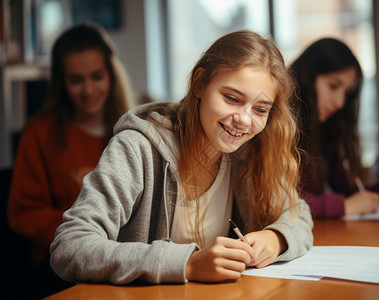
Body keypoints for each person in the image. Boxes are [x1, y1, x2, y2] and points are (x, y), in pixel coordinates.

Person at [49, 30, 313, 285]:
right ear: (200, 84)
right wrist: (187, 264)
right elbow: (70, 245)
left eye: (260, 109)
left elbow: (298, 213)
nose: (244, 120)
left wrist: (275, 237)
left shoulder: (249, 153)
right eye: (232, 98)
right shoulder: (137, 148)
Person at [7, 23, 134, 298]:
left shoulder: (134, 129)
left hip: (129, 252)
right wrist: (85, 237)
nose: (88, 90)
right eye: (76, 80)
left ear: (111, 75)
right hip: (64, 259)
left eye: (97, 76)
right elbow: (24, 214)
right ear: (61, 83)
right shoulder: (39, 134)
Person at [289, 38, 379, 219]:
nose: (340, 102)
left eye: (346, 92)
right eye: (333, 86)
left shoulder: (323, 129)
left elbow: (345, 188)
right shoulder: (279, 126)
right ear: (307, 76)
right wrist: (343, 206)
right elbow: (282, 203)